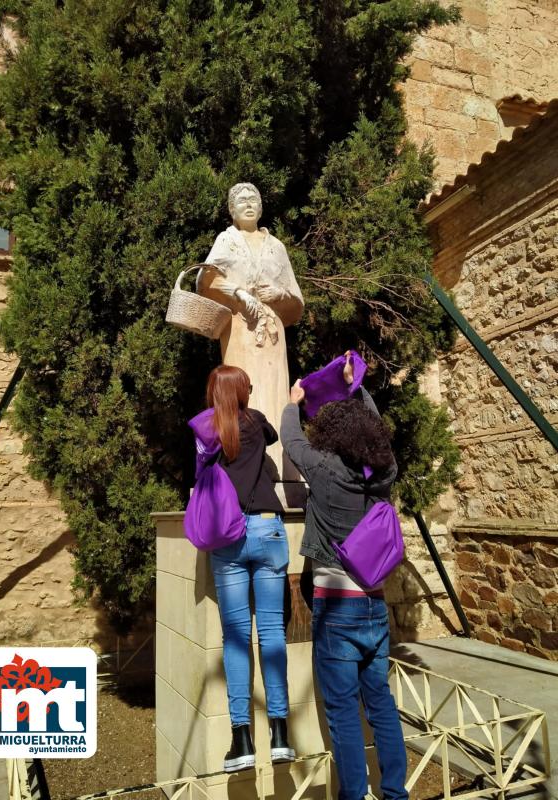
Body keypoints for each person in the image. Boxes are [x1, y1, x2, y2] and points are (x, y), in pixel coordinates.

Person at [280, 378, 408, 800]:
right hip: (374, 606)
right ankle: (395, 793)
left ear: (333, 433)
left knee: (343, 714)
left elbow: (291, 440)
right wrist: (359, 391)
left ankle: (353, 795)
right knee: (382, 706)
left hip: (337, 609)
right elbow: (374, 427)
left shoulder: (324, 468)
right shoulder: (383, 472)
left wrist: (293, 402)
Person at [204, 364, 295, 772]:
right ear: (240, 391)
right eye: (248, 386)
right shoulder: (256, 421)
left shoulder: (207, 429)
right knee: (273, 632)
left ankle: (241, 740)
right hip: (266, 528)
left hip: (228, 538)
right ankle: (280, 735)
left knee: (236, 637)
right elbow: (273, 436)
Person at [197, 183, 304, 485]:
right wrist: (240, 294)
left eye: (253, 199)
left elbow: (296, 302)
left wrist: (280, 292)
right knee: (241, 392)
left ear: (261, 206)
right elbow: (207, 280)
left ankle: (283, 472)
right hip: (240, 328)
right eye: (240, 201)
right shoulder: (226, 241)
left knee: (273, 391)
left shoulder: (277, 247)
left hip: (271, 333)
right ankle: (243, 470)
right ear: (231, 210)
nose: (248, 204)